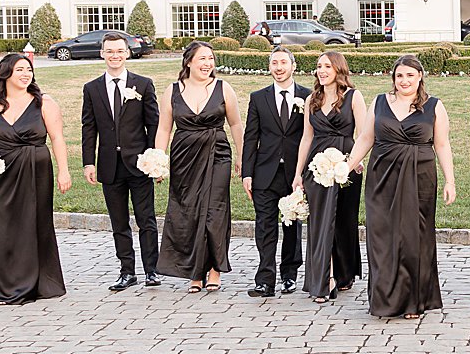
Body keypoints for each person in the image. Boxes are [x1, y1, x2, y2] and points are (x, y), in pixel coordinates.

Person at [347, 54, 456, 320]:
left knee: (413, 238)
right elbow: (365, 138)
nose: (404, 80)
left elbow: (441, 144)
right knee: (381, 236)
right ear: (393, 78)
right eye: (399, 75)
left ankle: (413, 301)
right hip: (381, 176)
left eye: (410, 75)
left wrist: (450, 180)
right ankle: (385, 299)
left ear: (420, 77)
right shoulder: (380, 102)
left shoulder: (434, 106)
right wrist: (345, 167)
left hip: (420, 177)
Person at [0, 52, 71, 303]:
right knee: (1, 227)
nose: (26, 74)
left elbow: (57, 138)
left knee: (34, 223)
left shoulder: (44, 102)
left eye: (29, 70)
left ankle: (36, 283)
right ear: (6, 74)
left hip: (36, 173)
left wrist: (64, 170)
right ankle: (4, 284)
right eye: (20, 70)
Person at [154, 42, 243, 293]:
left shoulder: (224, 88)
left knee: (215, 210)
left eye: (211, 59)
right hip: (184, 157)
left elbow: (236, 124)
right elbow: (164, 128)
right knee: (187, 212)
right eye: (202, 59)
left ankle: (215, 269)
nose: (207, 64)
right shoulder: (172, 91)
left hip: (218, 154)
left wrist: (241, 156)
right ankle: (195, 271)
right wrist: (158, 160)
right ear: (189, 62)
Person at [81, 33, 161, 292]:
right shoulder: (92, 88)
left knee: (146, 219)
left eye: (119, 51)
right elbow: (89, 128)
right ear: (102, 54)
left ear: (127, 53)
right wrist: (88, 163)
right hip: (109, 165)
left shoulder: (143, 84)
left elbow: (153, 125)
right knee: (119, 223)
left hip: (139, 164)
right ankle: (127, 272)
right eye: (109, 51)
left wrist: (154, 159)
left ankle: (152, 270)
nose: (114, 55)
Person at [293, 50, 368, 303]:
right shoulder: (311, 99)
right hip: (317, 166)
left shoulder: (353, 97)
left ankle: (344, 273)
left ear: (338, 69)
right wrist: (297, 175)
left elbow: (365, 134)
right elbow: (307, 138)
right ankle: (326, 277)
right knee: (321, 223)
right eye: (318, 66)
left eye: (326, 66)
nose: (321, 71)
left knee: (343, 221)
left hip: (346, 166)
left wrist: (354, 163)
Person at [241, 47, 309, 298]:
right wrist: (247, 173)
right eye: (274, 63)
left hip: (295, 174)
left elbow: (310, 136)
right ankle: (265, 280)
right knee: (265, 225)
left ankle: (290, 274)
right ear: (269, 67)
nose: (278, 67)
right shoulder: (258, 98)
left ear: (293, 65)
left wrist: (304, 173)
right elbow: (251, 138)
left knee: (292, 224)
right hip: (264, 173)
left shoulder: (308, 96)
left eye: (283, 62)